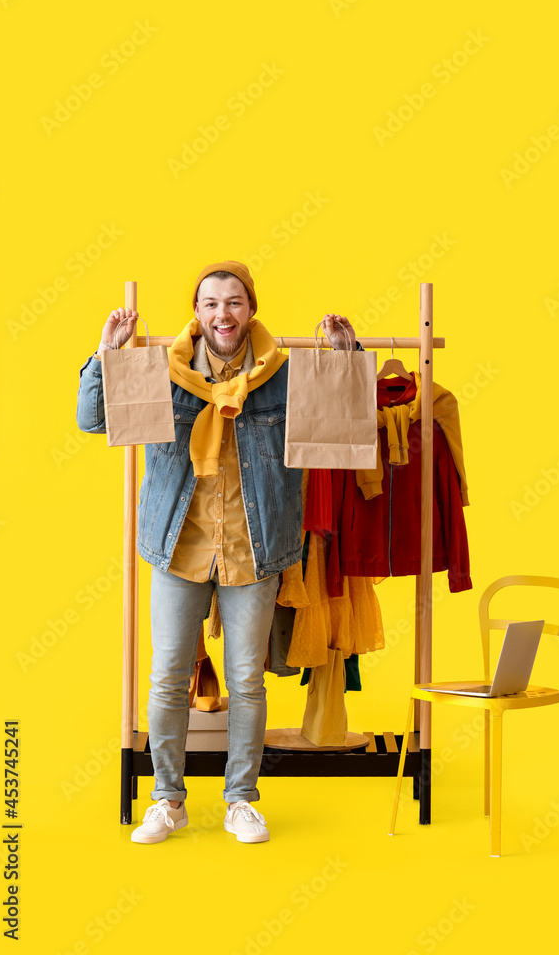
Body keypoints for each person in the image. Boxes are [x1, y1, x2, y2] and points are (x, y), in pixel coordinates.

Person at [76, 261, 361, 844]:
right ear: (197, 312)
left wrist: (344, 357)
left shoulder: (281, 374)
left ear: (250, 309)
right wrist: (106, 355)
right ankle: (167, 799)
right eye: (210, 303)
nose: (222, 314)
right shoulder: (164, 370)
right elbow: (92, 418)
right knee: (167, 677)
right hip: (179, 544)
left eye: (234, 302)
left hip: (252, 546)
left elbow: (341, 431)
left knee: (247, 681)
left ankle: (240, 801)